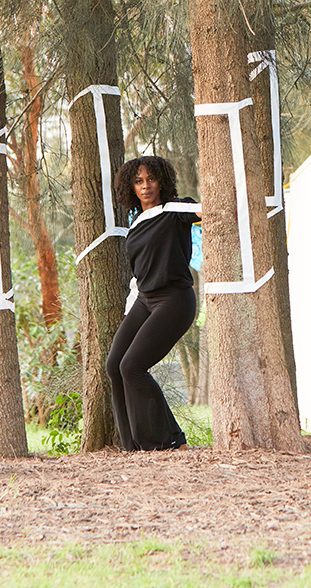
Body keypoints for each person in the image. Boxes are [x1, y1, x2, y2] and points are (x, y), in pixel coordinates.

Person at [106, 156, 199, 451]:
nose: (146, 186)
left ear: (162, 181)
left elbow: (208, 211)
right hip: (145, 299)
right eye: (138, 181)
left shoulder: (174, 210)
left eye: (151, 179)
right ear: (130, 187)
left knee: (132, 366)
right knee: (114, 366)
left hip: (174, 298)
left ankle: (170, 441)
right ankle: (131, 445)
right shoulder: (134, 223)